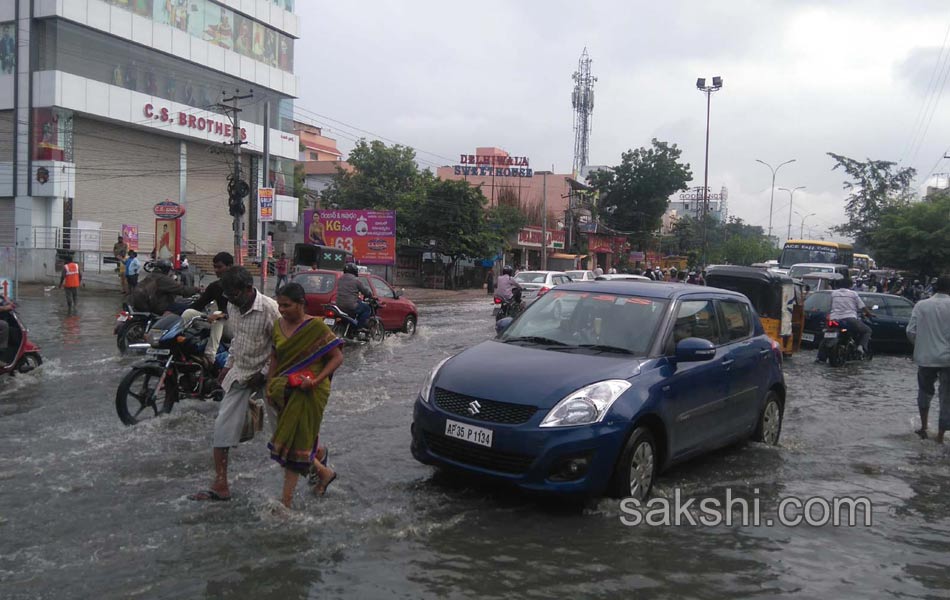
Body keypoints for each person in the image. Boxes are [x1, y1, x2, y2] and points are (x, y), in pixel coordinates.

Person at [190, 266, 281, 502]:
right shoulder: (232, 305)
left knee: (284, 434)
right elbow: (238, 340)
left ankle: (317, 464)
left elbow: (280, 346)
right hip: (241, 372)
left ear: (249, 289)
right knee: (222, 427)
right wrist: (228, 366)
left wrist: (263, 373)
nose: (232, 301)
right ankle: (221, 484)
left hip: (268, 374)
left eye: (235, 295)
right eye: (229, 296)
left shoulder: (270, 309)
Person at [266, 283, 343, 507]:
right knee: (296, 437)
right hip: (284, 391)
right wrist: (271, 386)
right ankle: (322, 465)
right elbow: (275, 358)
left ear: (301, 304)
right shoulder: (278, 326)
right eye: (279, 305)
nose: (282, 309)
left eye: (287, 305)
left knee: (293, 445)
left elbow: (337, 358)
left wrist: (316, 381)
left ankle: (285, 503)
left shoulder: (316, 327)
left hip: (310, 392)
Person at [906, 275, 950, 442]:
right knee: (946, 397)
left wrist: (921, 346)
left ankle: (924, 427)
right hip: (948, 360)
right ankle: (940, 436)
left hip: (925, 358)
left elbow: (910, 331)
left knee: (924, 392)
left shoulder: (921, 305)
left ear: (935, 287)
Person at [181, 252, 234, 364]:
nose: (216, 270)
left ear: (229, 266)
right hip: (219, 322)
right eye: (214, 267)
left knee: (218, 315)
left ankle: (210, 355)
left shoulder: (238, 286)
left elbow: (241, 309)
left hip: (234, 325)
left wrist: (222, 314)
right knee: (188, 312)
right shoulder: (214, 286)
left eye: (219, 267)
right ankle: (178, 340)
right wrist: (173, 314)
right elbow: (199, 304)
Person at [132, 259, 197, 315]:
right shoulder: (163, 279)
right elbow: (182, 290)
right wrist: (197, 290)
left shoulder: (151, 275)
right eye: (170, 270)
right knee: (189, 309)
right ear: (167, 269)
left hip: (148, 304)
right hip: (159, 307)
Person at [828, 275, 872, 357]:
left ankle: (820, 358)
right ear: (850, 285)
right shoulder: (853, 294)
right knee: (867, 330)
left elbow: (830, 306)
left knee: (826, 336)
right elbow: (862, 306)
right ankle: (860, 347)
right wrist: (869, 314)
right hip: (850, 319)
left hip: (834, 319)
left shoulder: (833, 293)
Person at [336, 263, 375, 329]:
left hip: (339, 305)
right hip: (350, 305)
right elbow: (365, 291)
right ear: (354, 271)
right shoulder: (356, 280)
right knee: (367, 308)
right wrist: (371, 295)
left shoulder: (339, 279)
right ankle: (358, 327)